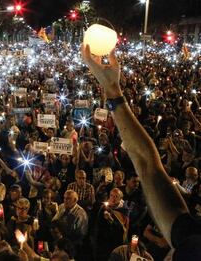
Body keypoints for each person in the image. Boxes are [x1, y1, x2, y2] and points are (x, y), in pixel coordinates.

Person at [81, 44, 200, 260]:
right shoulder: (193, 239)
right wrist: (113, 91)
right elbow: (147, 166)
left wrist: (113, 91)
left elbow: (148, 166)